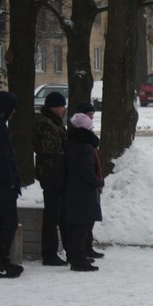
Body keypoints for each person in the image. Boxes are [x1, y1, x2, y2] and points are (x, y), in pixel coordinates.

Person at [64, 113, 104, 272]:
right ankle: (79, 260)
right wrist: (98, 182)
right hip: (83, 192)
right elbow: (87, 172)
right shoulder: (86, 148)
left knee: (76, 227)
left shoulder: (70, 144)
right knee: (83, 226)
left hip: (72, 190)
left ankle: (75, 257)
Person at [33, 91, 68, 266]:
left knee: (56, 214)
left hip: (55, 173)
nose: (64, 109)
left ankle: (54, 252)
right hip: (51, 173)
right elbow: (50, 149)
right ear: (55, 107)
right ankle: (49, 254)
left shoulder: (54, 122)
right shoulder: (46, 124)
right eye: (62, 106)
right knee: (51, 216)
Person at [73, 102, 105, 260]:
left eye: (92, 115)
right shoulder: (84, 143)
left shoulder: (86, 140)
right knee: (84, 222)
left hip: (85, 186)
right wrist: (97, 182)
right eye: (88, 115)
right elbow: (86, 169)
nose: (91, 118)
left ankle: (86, 248)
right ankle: (81, 253)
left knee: (87, 220)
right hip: (84, 188)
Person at [0, 91, 23, 278]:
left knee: (5, 223)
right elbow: (2, 160)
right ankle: (0, 262)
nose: (14, 112)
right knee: (7, 223)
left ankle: (1, 260)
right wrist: (11, 182)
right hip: (3, 187)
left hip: (3, 186)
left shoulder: (1, 127)